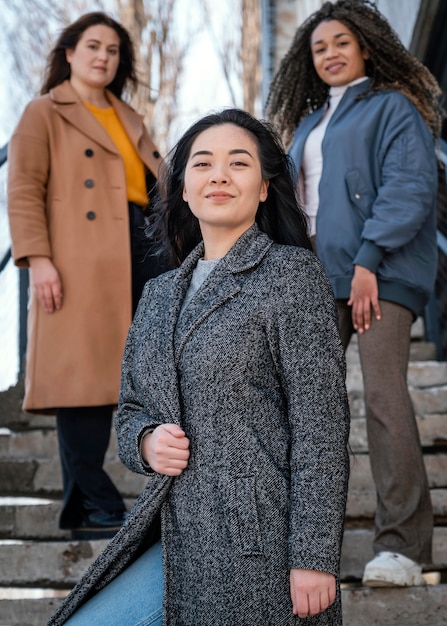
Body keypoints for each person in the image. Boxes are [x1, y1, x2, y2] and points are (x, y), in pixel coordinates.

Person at [46, 108, 351, 626]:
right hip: (173, 530)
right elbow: (130, 412)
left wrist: (315, 557)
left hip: (258, 540)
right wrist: (145, 441)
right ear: (184, 189)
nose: (219, 175)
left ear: (262, 188)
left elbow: (320, 426)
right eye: (203, 164)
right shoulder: (160, 294)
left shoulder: (291, 275)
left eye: (239, 163)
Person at [267, 0, 443, 588]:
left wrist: (369, 259)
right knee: (308, 409)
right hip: (320, 279)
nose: (331, 54)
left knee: (384, 398)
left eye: (341, 42)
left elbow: (409, 188)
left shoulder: (392, 108)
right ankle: (300, 543)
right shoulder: (312, 125)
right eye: (319, 47)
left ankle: (402, 547)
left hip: (380, 274)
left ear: (365, 46)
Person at [7, 12, 169, 540]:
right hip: (81, 254)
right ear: (70, 52)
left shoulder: (130, 117)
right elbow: (24, 189)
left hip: (144, 246)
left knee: (145, 366)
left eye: (114, 50)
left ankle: (86, 507)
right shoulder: (43, 112)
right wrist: (39, 259)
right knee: (82, 376)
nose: (104, 56)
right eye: (93, 46)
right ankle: (99, 499)